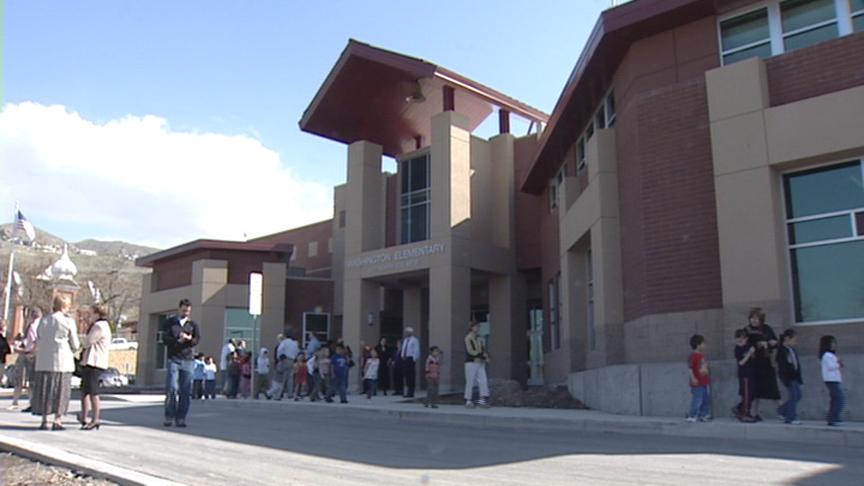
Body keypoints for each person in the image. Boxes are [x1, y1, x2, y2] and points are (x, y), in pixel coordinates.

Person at [34, 295, 80, 430]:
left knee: (45, 390)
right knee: (60, 391)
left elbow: (39, 337)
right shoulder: (68, 322)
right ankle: (57, 420)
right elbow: (75, 344)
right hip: (62, 360)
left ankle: (44, 420)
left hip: (44, 360)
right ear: (65, 306)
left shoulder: (44, 321)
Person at [162, 299, 200, 427]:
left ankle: (181, 418)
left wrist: (189, 339)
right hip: (174, 359)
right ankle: (169, 415)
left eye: (188, 311)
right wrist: (177, 340)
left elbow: (197, 340)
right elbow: (165, 339)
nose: (186, 313)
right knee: (172, 388)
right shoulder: (170, 323)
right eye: (184, 310)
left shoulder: (192, 325)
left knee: (185, 390)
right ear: (179, 309)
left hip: (188, 360)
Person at [79, 304, 111, 430]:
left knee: (93, 392)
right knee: (85, 391)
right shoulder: (101, 326)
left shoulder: (99, 326)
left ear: (98, 314)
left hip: (95, 362)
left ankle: (95, 418)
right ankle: (84, 416)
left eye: (91, 313)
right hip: (90, 362)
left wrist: (81, 339)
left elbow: (88, 342)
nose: (89, 316)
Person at [745, 308, 779, 421]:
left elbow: (774, 342)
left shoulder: (767, 329)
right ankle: (753, 413)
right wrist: (758, 344)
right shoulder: (747, 330)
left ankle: (782, 411)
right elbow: (745, 345)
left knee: (773, 388)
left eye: (756, 318)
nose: (754, 320)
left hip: (767, 362)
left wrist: (772, 343)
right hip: (754, 363)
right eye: (752, 318)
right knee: (755, 391)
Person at [10, 308, 41, 411]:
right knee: (33, 380)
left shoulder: (32, 326)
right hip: (37, 355)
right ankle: (33, 402)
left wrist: (23, 350)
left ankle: (30, 402)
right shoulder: (42, 326)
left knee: (27, 379)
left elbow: (33, 342)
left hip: (29, 355)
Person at [776, 329, 803, 425]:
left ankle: (782, 410)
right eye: (794, 340)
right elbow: (783, 365)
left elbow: (796, 364)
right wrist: (786, 376)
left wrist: (799, 377)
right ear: (787, 338)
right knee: (793, 395)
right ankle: (790, 418)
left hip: (795, 376)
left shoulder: (792, 350)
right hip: (788, 377)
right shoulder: (782, 350)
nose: (795, 342)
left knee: (798, 395)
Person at [464, 320, 490, 408]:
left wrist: (485, 356)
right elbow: (470, 351)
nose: (478, 328)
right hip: (471, 362)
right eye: (476, 327)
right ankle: (468, 400)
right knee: (470, 381)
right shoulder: (468, 337)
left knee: (483, 380)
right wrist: (481, 355)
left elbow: (482, 349)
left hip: (480, 362)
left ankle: (482, 400)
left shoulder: (479, 338)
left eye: (479, 327)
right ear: (471, 327)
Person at [732, 328, 757, 422]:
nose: (740, 339)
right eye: (738, 337)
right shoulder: (737, 349)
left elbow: (753, 358)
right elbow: (741, 363)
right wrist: (749, 354)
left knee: (752, 394)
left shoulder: (749, 346)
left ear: (746, 338)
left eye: (742, 337)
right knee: (746, 394)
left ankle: (739, 408)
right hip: (744, 374)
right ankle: (745, 414)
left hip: (752, 373)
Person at [820, 335, 845, 426]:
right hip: (831, 379)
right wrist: (839, 364)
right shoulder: (826, 355)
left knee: (835, 399)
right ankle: (832, 418)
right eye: (832, 342)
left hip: (834, 379)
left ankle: (834, 417)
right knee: (840, 398)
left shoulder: (831, 355)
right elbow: (831, 366)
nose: (834, 344)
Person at [686, 334, 711, 423]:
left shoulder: (702, 355)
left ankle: (703, 415)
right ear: (698, 345)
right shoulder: (693, 356)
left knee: (705, 399)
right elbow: (690, 368)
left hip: (704, 381)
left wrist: (706, 368)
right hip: (697, 383)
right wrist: (693, 378)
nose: (704, 345)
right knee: (697, 399)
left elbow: (703, 366)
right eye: (703, 343)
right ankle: (692, 415)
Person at [399, 328, 420, 398]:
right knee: (406, 375)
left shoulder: (414, 340)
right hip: (405, 359)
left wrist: (414, 359)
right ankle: (407, 391)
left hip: (410, 358)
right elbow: (403, 348)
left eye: (407, 332)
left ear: (411, 332)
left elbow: (416, 350)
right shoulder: (405, 340)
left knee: (411, 375)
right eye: (405, 332)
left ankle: (411, 392)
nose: (406, 333)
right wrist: (402, 356)